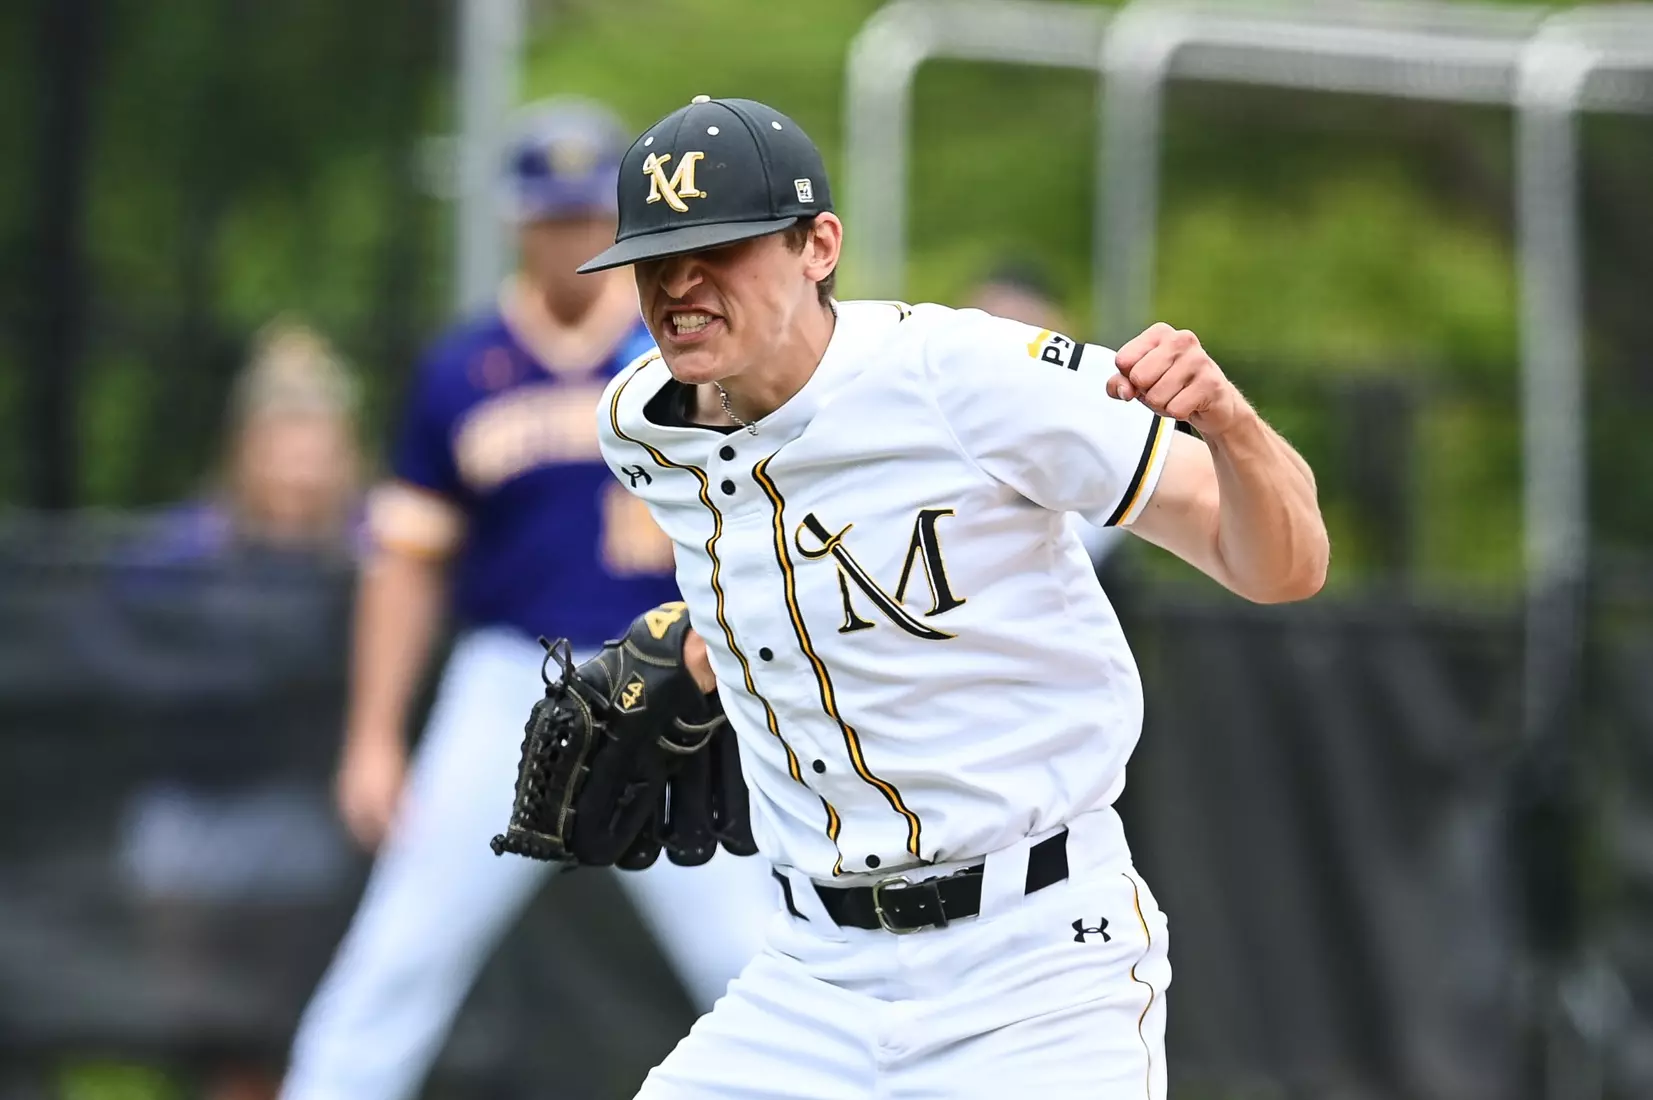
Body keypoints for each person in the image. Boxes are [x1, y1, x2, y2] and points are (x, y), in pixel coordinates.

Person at [579, 95, 1329, 1098]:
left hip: (1035, 964)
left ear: (818, 245)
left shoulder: (964, 376)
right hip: (813, 974)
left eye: (719, 248)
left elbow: (1282, 565)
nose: (682, 284)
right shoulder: (641, 426)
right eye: (655, 259)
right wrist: (700, 651)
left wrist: (1229, 422)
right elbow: (763, 571)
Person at [278, 98, 774, 1100]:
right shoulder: (462, 367)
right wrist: (374, 733)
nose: (575, 237)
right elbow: (406, 560)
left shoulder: (689, 347)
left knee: (758, 958)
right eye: (555, 218)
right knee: (402, 950)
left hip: (670, 683)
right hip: (512, 685)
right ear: (516, 220)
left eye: (594, 215)